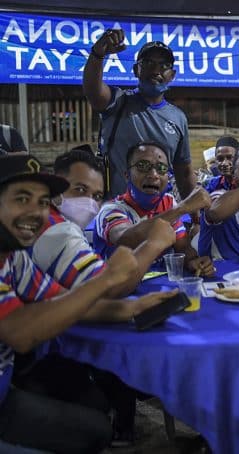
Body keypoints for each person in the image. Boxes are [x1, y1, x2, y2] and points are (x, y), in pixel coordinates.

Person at [0, 154, 144, 452]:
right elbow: (18, 333)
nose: (36, 212)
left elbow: (65, 300)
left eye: (42, 202)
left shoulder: (12, 258)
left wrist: (134, 308)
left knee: (97, 411)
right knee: (94, 429)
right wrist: (107, 279)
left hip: (8, 386)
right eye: (22, 199)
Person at [31, 147, 177, 297]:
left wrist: (131, 309)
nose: (88, 202)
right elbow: (108, 289)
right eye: (80, 189)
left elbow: (68, 300)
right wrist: (153, 244)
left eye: (97, 196)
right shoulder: (58, 233)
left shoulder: (62, 225)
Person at [83, 30, 195, 198]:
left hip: (161, 214)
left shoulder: (178, 118)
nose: (156, 70)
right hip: (117, 210)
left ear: (172, 75)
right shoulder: (118, 102)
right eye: (149, 63)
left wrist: (194, 219)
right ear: (136, 70)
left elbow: (184, 173)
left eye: (164, 66)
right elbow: (93, 90)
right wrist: (97, 54)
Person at [94, 141, 214, 276]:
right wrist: (183, 208)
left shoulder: (168, 203)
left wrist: (193, 262)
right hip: (119, 290)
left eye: (161, 168)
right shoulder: (111, 209)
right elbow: (125, 239)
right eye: (143, 166)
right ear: (127, 175)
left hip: (160, 286)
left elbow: (183, 247)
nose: (153, 174)